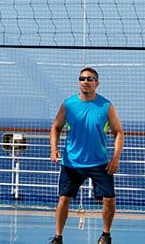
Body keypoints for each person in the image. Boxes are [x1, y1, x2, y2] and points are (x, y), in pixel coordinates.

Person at [48, 67, 125, 244]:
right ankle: (58, 236)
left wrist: (115, 158)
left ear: (97, 83)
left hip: (100, 162)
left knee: (109, 200)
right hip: (72, 162)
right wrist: (54, 149)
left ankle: (106, 235)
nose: (86, 81)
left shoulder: (106, 106)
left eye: (90, 79)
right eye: (82, 78)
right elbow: (56, 127)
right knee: (64, 199)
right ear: (78, 82)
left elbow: (119, 132)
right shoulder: (68, 105)